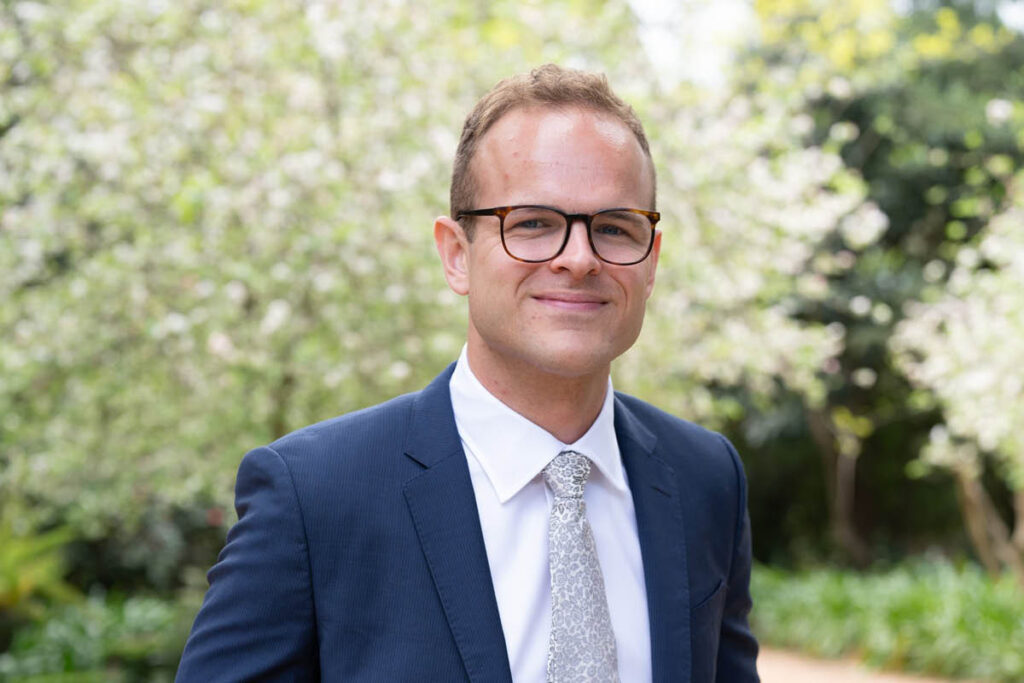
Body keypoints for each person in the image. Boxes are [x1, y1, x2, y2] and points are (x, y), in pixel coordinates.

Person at [176, 64, 759, 683]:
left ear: (651, 263)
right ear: (456, 255)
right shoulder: (313, 495)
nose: (579, 259)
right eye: (533, 223)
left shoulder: (706, 479)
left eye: (614, 228)